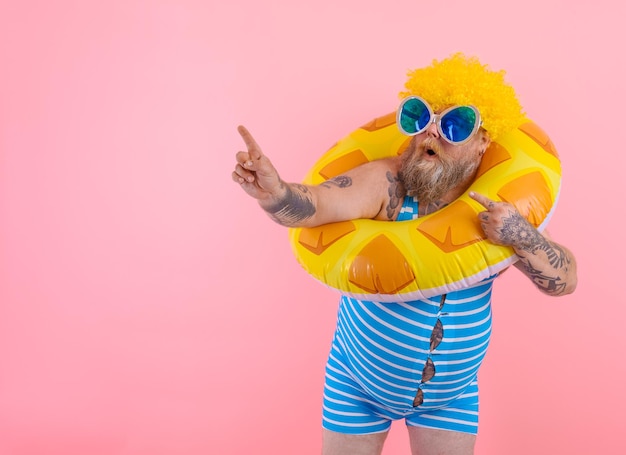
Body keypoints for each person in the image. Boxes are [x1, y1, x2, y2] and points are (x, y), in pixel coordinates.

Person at [231, 53, 577, 455]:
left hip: (451, 397)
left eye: (455, 124)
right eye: (420, 117)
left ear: (484, 140)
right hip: (357, 384)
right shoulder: (387, 184)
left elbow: (565, 281)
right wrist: (275, 193)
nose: (432, 134)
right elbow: (319, 203)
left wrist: (524, 237)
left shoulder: (501, 204)